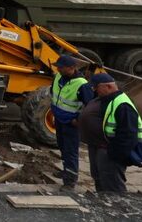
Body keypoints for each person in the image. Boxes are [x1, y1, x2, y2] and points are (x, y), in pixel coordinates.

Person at [90, 73, 142, 193]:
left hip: (113, 154)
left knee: (114, 187)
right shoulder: (111, 100)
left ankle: (118, 209)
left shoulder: (123, 105)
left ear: (108, 87)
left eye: (96, 88)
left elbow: (128, 136)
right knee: (105, 183)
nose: (94, 91)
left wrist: (113, 154)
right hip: (106, 149)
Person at [50, 54, 94, 189]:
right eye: (58, 67)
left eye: (61, 68)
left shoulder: (81, 84)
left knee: (70, 151)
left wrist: (78, 120)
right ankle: (65, 171)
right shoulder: (59, 77)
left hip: (71, 123)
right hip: (59, 119)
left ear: (72, 68)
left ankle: (70, 181)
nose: (58, 70)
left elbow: (90, 107)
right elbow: (54, 92)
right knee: (63, 147)